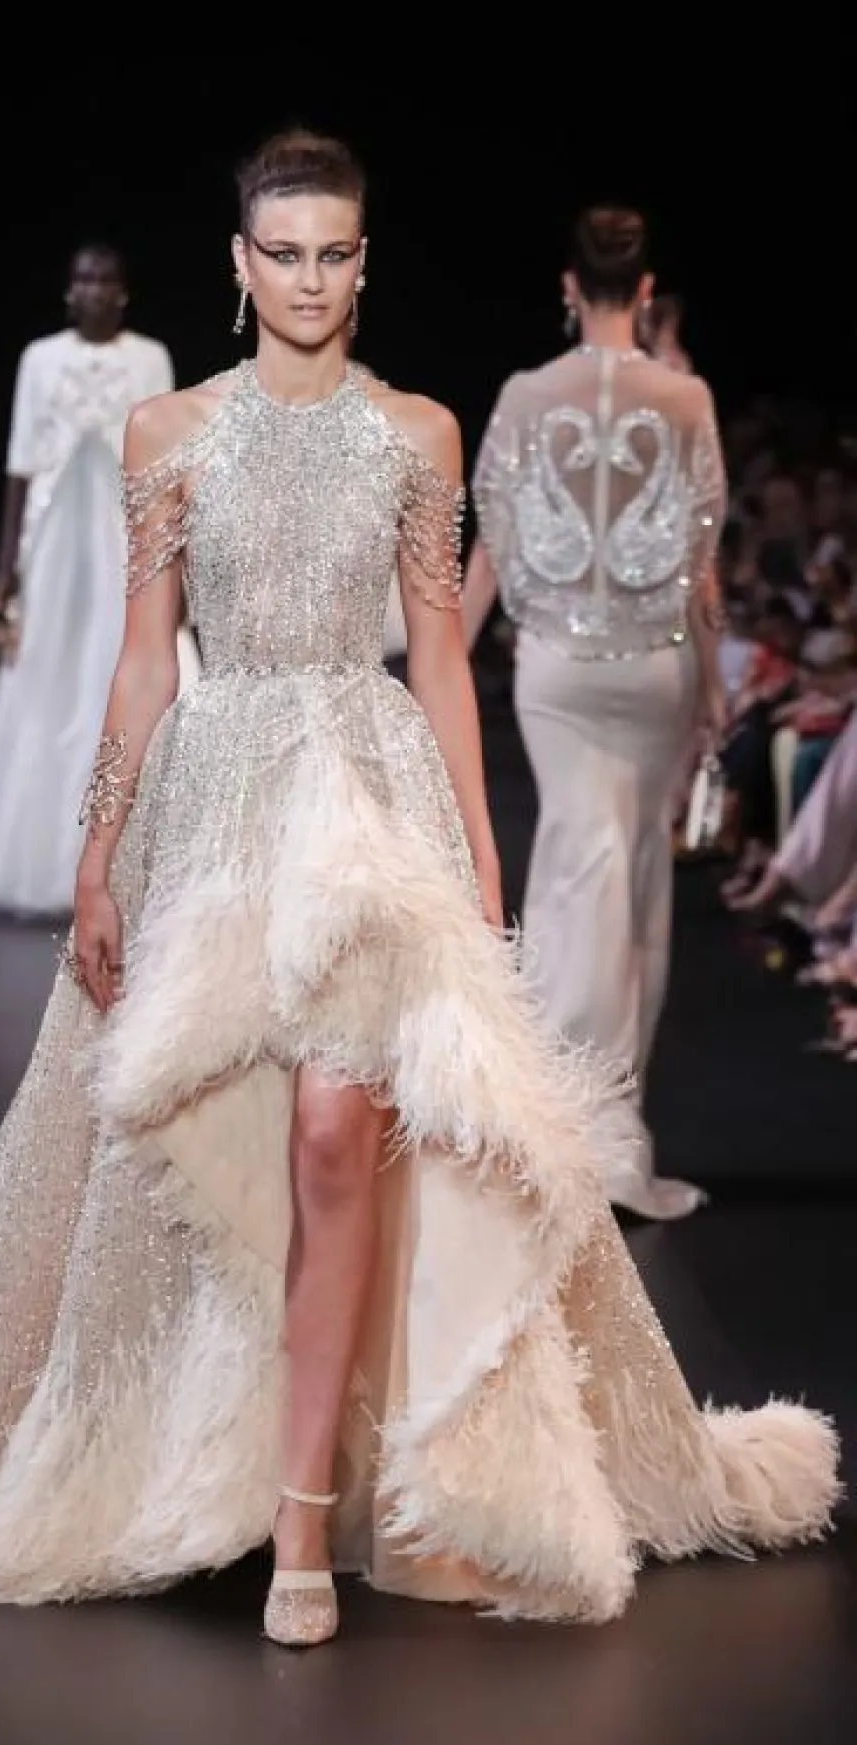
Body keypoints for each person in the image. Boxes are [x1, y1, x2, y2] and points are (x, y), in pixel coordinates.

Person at [0, 136, 838, 1646]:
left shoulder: (418, 434)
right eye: (282, 252)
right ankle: (194, 1453)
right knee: (192, 1147)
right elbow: (143, 658)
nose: (307, 278)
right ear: (239, 263)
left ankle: (301, 1519)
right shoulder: (168, 432)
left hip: (365, 801)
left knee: (341, 1134)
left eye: (333, 253)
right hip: (213, 808)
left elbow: (439, 658)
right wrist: (97, 852)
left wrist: (481, 859)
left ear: (363, 261)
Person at [462, 207, 731, 1224]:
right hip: (654, 669)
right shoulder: (686, 398)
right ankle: (599, 1131)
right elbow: (699, 560)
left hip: (559, 673)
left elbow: (493, 547)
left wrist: (441, 661)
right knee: (632, 877)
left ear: (568, 287)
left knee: (581, 866)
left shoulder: (527, 395)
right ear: (646, 290)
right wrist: (716, 688)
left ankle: (559, 1130)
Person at [0, 244, 183, 917]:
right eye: (84, 278)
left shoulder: (151, 358)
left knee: (125, 668)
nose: (95, 289)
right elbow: (20, 466)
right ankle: (43, 860)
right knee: (47, 680)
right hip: (52, 543)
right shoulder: (40, 359)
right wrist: (5, 571)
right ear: (69, 290)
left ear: (124, 292)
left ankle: (144, 864)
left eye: (107, 279)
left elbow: (168, 466)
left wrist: (177, 557)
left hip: (125, 534)